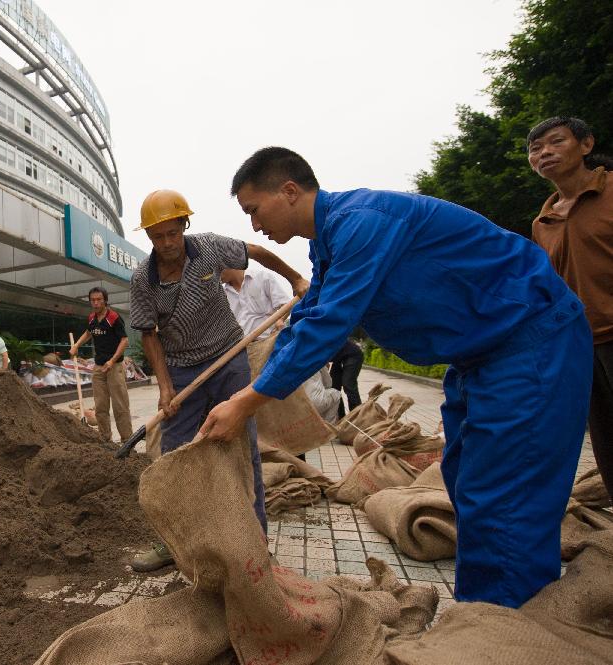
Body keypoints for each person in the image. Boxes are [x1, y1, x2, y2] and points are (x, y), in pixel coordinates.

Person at [199, 147, 592, 608]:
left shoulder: (363, 221)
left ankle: (505, 628)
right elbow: (308, 318)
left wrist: (245, 404)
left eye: (253, 210)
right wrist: (247, 387)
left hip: (530, 345)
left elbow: (330, 325)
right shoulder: (328, 245)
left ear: (288, 191)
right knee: (465, 478)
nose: (254, 225)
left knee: (504, 495)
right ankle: (489, 612)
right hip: (477, 361)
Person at [128, 189, 308, 572]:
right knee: (176, 456)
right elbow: (148, 334)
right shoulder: (143, 279)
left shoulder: (209, 248)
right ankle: (172, 544)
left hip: (228, 361)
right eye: (158, 237)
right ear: (149, 238)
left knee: (243, 448)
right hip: (180, 368)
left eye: (172, 233)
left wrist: (295, 278)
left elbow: (256, 252)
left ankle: (256, 540)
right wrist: (164, 386)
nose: (167, 243)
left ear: (184, 226)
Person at [527, 116, 613, 501]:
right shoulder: (543, 221)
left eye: (555, 142)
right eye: (535, 148)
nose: (544, 152)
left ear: (586, 144)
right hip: (580, 346)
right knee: (606, 442)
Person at [221, 267, 341, 424]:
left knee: (301, 396)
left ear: (229, 263)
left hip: (272, 345)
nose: (216, 275)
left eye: (218, 269)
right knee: (264, 404)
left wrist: (279, 319)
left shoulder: (262, 277)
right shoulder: (223, 293)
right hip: (248, 352)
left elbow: (286, 305)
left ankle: (331, 402)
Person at [69, 286, 134, 444]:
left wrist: (112, 360)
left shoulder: (114, 318)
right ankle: (105, 439)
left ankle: (127, 441)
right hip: (98, 368)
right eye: (93, 300)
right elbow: (88, 332)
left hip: (114, 367)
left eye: (99, 300)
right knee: (100, 407)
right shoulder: (91, 318)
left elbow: (124, 340)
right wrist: (76, 345)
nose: (96, 303)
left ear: (105, 300)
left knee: (120, 406)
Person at [329, 339, 363, 418]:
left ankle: (357, 417)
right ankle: (341, 418)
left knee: (348, 384)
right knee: (334, 387)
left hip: (352, 354)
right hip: (337, 359)